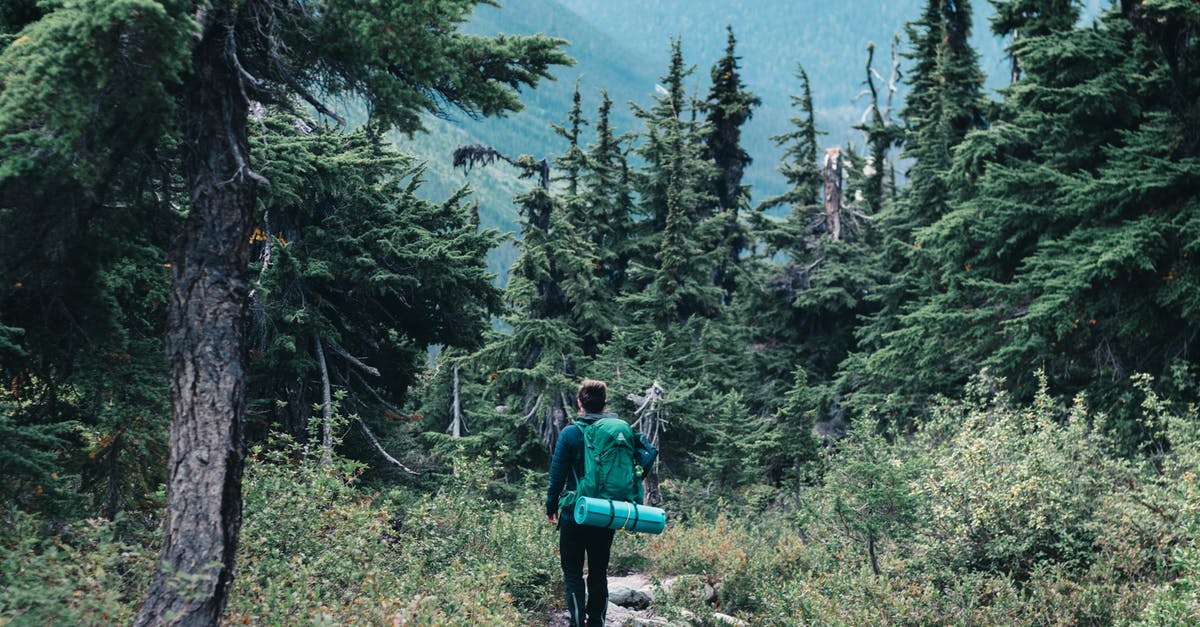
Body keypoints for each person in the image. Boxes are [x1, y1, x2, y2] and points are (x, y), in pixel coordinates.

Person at [545, 379, 654, 627]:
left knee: (572, 573)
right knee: (598, 573)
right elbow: (638, 464)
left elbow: (557, 476)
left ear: (580, 403)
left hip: (575, 513)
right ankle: (596, 623)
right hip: (605, 513)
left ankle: (576, 622)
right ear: (604, 404)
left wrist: (551, 506)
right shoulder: (617, 433)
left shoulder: (571, 433)